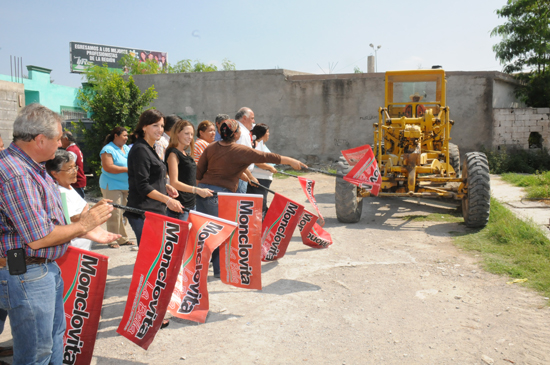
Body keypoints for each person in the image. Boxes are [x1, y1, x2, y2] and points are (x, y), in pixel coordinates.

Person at [0, 103, 119, 364]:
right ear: (40, 139)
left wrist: (83, 226)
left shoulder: (32, 166)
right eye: (57, 138)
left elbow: (45, 220)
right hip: (28, 274)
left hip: (41, 269)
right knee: (36, 352)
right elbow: (39, 237)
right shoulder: (17, 174)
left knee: (54, 340)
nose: (61, 144)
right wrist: (83, 225)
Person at [196, 119, 307, 277]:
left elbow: (201, 172)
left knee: (207, 234)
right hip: (220, 196)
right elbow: (266, 156)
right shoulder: (240, 150)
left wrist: (240, 176)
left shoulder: (211, 147)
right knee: (224, 234)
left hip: (203, 194)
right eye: (239, 130)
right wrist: (291, 161)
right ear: (235, 134)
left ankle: (201, 269)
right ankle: (221, 271)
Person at [125, 109, 184, 247]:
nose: (160, 129)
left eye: (162, 126)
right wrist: (168, 200)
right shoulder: (141, 149)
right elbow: (143, 185)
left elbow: (152, 177)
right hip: (143, 212)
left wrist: (166, 186)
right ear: (144, 127)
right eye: (155, 125)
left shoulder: (150, 147)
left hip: (155, 211)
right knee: (151, 257)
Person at [47, 150, 110, 251]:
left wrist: (96, 209)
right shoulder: (58, 192)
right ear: (55, 173)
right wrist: (94, 212)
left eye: (75, 167)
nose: (75, 171)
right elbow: (69, 219)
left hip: (82, 248)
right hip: (73, 249)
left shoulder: (69, 187)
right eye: (69, 169)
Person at [165, 120, 213, 221]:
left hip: (191, 204)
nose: (190, 137)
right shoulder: (173, 153)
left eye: (191, 134)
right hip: (180, 207)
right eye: (186, 133)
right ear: (177, 133)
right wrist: (197, 190)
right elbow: (174, 182)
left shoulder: (185, 154)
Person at [100, 127, 134, 248]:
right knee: (115, 213)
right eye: (124, 135)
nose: (126, 138)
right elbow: (108, 167)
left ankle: (122, 238)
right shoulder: (107, 150)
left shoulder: (126, 148)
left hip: (126, 185)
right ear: (116, 135)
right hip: (112, 185)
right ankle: (112, 239)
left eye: (127, 136)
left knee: (122, 213)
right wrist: (128, 170)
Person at [247, 124, 277, 217]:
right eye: (267, 132)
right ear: (263, 133)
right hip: (259, 179)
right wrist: (270, 167)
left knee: (262, 206)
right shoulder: (256, 144)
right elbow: (257, 162)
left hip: (264, 178)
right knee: (260, 207)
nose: (269, 134)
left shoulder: (261, 144)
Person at [61, 131, 87, 198]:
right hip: (79, 179)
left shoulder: (71, 151)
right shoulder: (75, 148)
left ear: (66, 139)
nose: (60, 143)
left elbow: (69, 166)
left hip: (76, 181)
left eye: (61, 140)